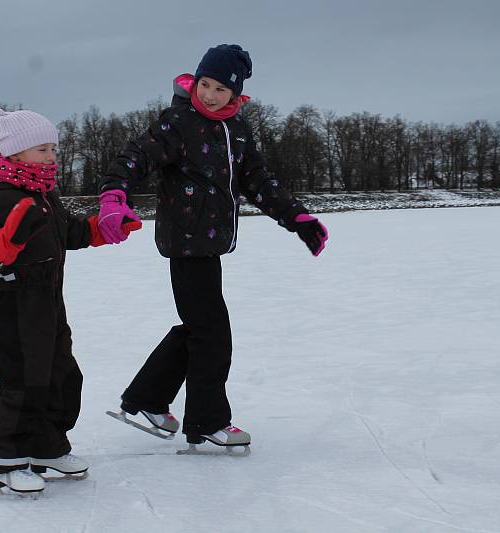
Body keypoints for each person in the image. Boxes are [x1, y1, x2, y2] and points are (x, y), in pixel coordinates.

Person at [98, 44, 328, 452]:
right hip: (186, 243)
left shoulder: (236, 129)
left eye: (220, 89)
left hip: (211, 244)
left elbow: (258, 180)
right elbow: (136, 157)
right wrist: (115, 195)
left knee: (199, 329)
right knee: (212, 334)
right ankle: (206, 421)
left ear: (235, 94)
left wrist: (298, 219)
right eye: (204, 84)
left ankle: (147, 399)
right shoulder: (178, 122)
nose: (208, 94)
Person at [0, 108, 140, 493]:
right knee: (20, 380)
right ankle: (6, 459)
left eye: (53, 149)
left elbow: (67, 233)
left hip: (48, 303)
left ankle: (46, 446)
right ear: (14, 154)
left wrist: (103, 228)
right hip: (14, 304)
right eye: (41, 149)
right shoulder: (0, 196)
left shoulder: (43, 195)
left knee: (61, 375)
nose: (51, 157)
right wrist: (8, 238)